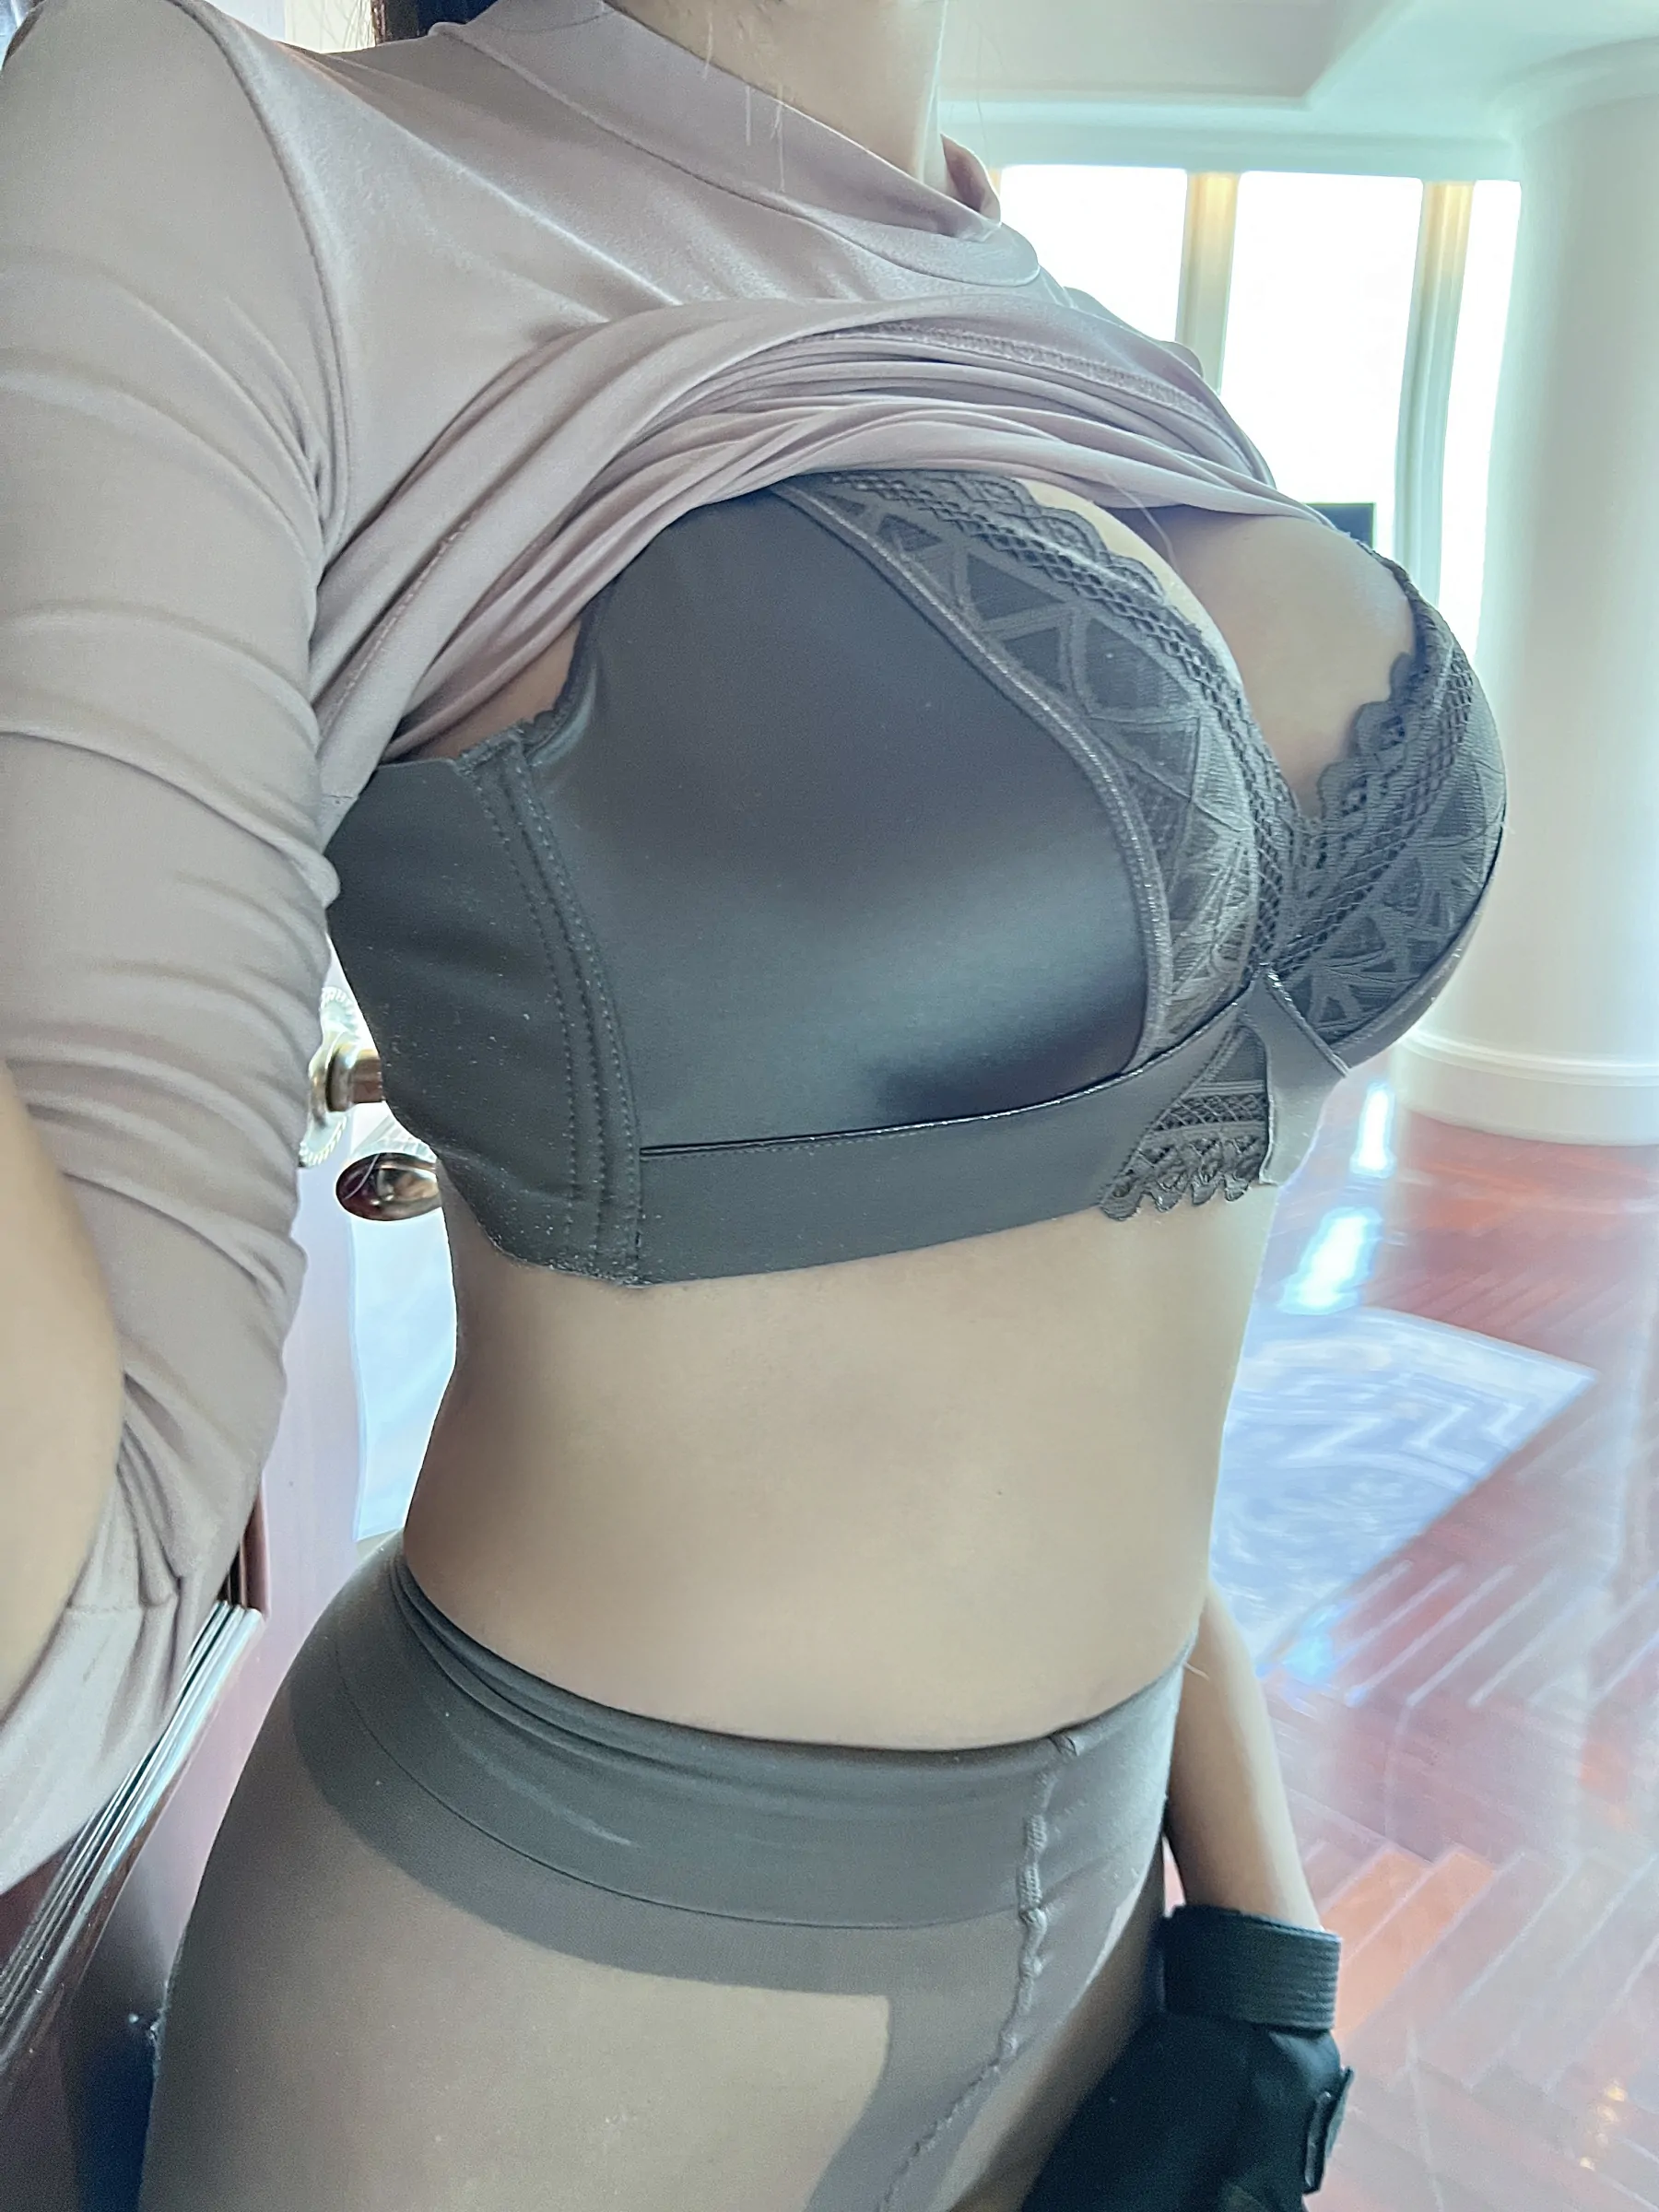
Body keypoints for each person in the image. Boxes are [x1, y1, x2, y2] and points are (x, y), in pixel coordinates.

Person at [0, 0, 1506, 2204]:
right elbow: (65, 1634)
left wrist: (1259, 1945)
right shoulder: (220, 152)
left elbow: (1134, 1262)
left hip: (1116, 1943)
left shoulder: (1051, 320)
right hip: (541, 2004)